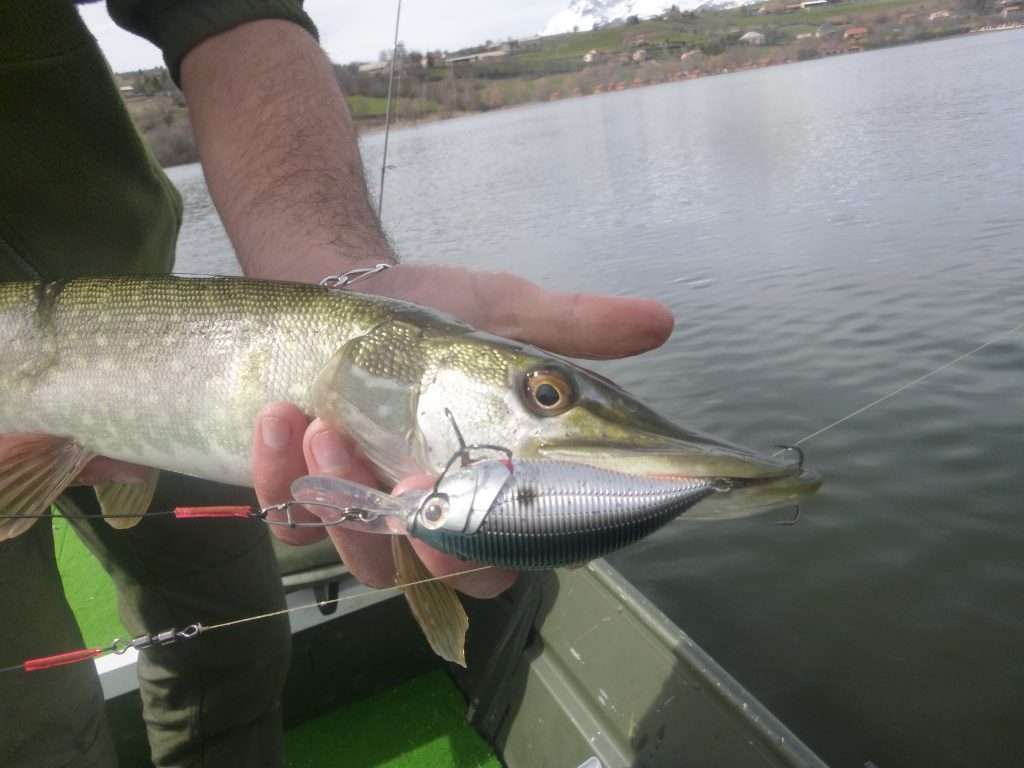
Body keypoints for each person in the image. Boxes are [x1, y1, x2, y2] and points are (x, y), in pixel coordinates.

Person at [0, 2, 674, 767]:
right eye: (542, 397)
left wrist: (331, 263)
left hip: (132, 296)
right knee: (34, 730)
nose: (544, 404)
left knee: (236, 629)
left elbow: (224, 12)